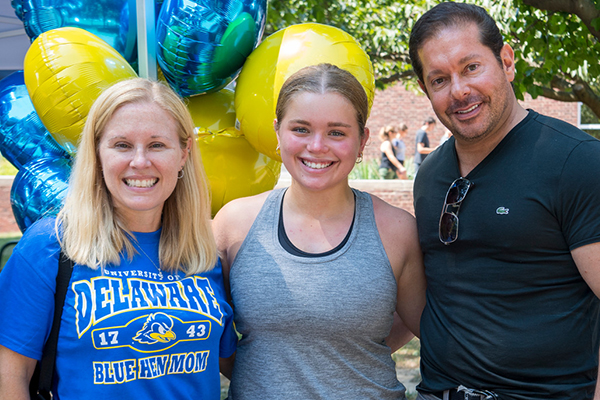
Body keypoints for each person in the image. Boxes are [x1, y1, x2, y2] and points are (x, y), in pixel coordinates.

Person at [0, 78, 237, 399]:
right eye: (122, 145)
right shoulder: (50, 247)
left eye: (157, 145)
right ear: (97, 153)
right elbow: (10, 377)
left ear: (184, 153)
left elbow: (233, 361)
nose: (140, 162)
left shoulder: (204, 250)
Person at [408, 3, 600, 400]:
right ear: (426, 90)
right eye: (439, 79)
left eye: (471, 67)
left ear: (507, 62)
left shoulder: (576, 161)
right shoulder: (430, 176)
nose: (459, 91)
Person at [213, 63, 426, 399]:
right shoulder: (233, 224)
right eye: (300, 129)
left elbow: (427, 329)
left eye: (336, 132)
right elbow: (209, 336)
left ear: (362, 140)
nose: (316, 146)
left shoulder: (397, 230)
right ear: (277, 132)